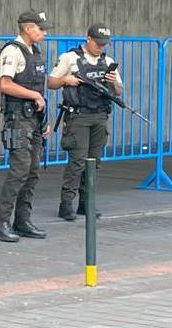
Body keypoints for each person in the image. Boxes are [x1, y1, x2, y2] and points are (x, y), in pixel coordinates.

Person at [0, 10, 52, 242]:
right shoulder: (12, 51)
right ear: (27, 28)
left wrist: (44, 118)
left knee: (33, 170)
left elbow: (40, 91)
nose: (44, 33)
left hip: (33, 118)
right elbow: (5, 84)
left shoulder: (35, 51)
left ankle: (22, 220)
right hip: (18, 118)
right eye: (41, 28)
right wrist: (33, 94)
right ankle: (0, 220)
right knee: (20, 169)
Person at [48, 24, 121, 221]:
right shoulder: (69, 58)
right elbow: (51, 82)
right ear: (88, 39)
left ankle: (85, 204)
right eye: (98, 43)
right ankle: (66, 204)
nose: (101, 48)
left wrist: (113, 81)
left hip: (100, 116)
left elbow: (119, 91)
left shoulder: (108, 61)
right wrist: (65, 80)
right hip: (78, 116)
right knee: (77, 161)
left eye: (104, 44)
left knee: (93, 162)